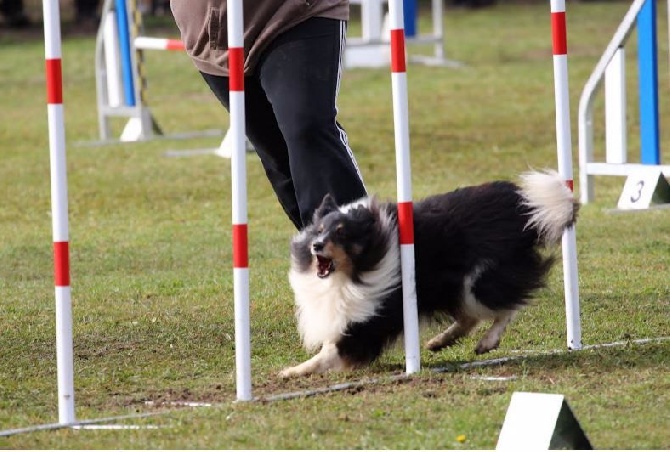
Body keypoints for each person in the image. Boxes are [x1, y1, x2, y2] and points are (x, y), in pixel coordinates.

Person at [169, 0, 367, 230]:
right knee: (275, 151)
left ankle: (361, 243)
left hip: (293, 13)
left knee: (306, 127)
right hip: (211, 30)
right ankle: (321, 248)